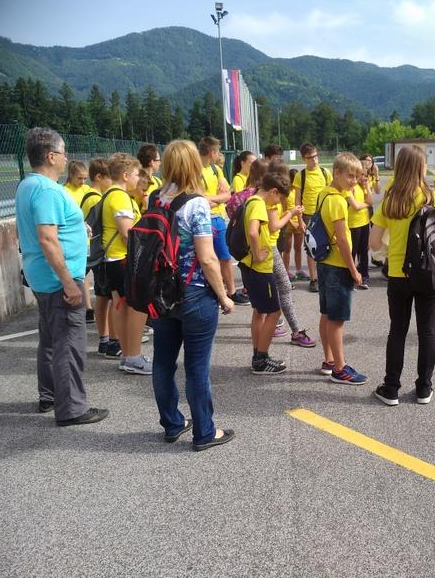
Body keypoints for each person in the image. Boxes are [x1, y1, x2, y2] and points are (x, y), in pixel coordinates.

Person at [15, 127, 108, 425]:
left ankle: (50, 395)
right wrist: (69, 282)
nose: (67, 158)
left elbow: (47, 228)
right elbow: (47, 238)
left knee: (50, 338)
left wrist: (78, 229)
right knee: (69, 342)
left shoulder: (28, 185)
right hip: (58, 279)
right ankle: (72, 409)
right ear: (50, 156)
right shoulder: (47, 190)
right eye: (63, 153)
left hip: (42, 276)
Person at [150, 139, 235, 451]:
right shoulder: (196, 204)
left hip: (162, 293)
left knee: (163, 362)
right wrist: (224, 295)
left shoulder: (156, 199)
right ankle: (204, 431)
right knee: (197, 366)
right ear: (194, 166)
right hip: (194, 293)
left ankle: (172, 423)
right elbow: (208, 258)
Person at [370, 146, 435, 406]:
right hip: (428, 273)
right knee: (427, 330)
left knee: (397, 330)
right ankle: (423, 389)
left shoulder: (391, 201)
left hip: (399, 273)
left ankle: (391, 388)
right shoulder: (433, 198)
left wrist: (390, 249)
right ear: (421, 167)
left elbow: (374, 242)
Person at [316, 153, 367, 385]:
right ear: (336, 173)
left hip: (324, 261)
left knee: (326, 314)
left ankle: (328, 360)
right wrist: (353, 269)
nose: (354, 181)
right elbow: (343, 239)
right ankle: (339, 368)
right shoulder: (337, 201)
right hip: (338, 265)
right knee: (337, 320)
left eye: (357, 176)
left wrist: (349, 190)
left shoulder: (324, 193)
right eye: (350, 176)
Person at [101, 153, 151, 373]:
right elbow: (127, 234)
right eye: (136, 174)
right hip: (123, 259)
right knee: (136, 307)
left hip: (114, 259)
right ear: (125, 175)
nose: (138, 178)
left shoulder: (110, 194)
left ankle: (127, 354)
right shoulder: (120, 197)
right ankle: (133, 356)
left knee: (120, 306)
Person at [240, 171, 292, 374]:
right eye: (279, 197)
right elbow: (253, 231)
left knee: (259, 311)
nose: (278, 202)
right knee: (274, 312)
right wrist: (257, 253)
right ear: (273, 191)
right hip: (259, 268)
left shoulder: (251, 200)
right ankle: (261, 360)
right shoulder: (259, 204)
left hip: (250, 267)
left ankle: (258, 355)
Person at [265, 159, 316, 347]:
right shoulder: (270, 201)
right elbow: (274, 225)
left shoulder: (264, 196)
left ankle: (275, 326)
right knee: (282, 288)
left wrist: (293, 217)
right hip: (268, 248)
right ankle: (293, 331)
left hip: (266, 248)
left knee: (272, 289)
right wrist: (291, 213)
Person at [198, 136, 250, 306]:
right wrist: (216, 199)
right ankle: (212, 293)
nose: (219, 154)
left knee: (225, 257)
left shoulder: (216, 169)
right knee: (206, 258)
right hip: (203, 219)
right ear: (212, 152)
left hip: (218, 218)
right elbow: (197, 199)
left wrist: (211, 199)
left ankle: (232, 292)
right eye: (218, 151)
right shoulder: (195, 170)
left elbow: (227, 195)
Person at [83, 158, 120, 356]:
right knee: (108, 297)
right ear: (99, 177)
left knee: (103, 296)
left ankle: (105, 340)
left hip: (97, 252)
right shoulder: (95, 199)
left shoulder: (93, 196)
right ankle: (110, 340)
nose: (111, 182)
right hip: (102, 253)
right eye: (109, 178)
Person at [292, 142, 331, 293]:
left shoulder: (325, 172)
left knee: (328, 245)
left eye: (315, 156)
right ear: (304, 159)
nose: (314, 160)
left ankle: (326, 277)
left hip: (325, 214)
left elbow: (331, 192)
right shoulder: (300, 176)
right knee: (311, 247)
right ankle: (314, 279)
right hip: (308, 215)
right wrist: (299, 219)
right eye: (310, 157)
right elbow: (297, 199)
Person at [62, 160, 95, 323]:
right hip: (74, 239)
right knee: (79, 274)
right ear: (71, 176)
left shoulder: (86, 190)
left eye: (85, 178)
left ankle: (87, 306)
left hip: (88, 238)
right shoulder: (64, 191)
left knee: (84, 274)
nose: (83, 182)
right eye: (79, 178)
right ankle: (86, 307)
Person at [346, 166, 374, 289]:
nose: (363, 178)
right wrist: (366, 204)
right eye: (361, 175)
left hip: (364, 223)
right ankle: (351, 279)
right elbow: (355, 206)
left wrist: (367, 186)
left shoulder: (363, 187)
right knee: (352, 252)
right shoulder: (350, 188)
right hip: (353, 225)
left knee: (364, 252)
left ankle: (364, 277)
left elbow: (371, 201)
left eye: (365, 175)